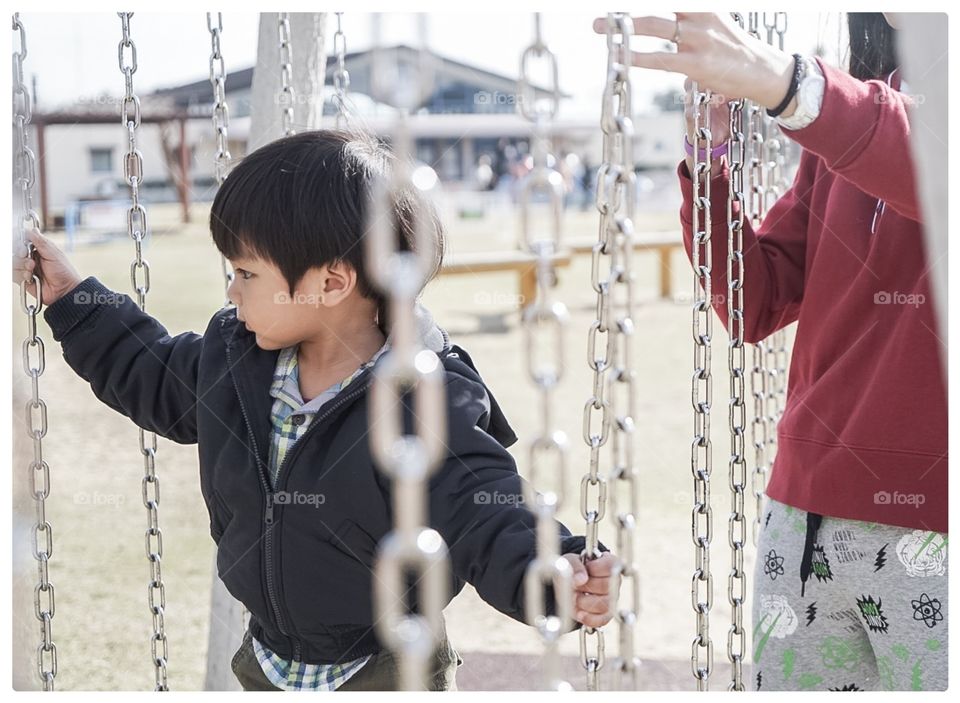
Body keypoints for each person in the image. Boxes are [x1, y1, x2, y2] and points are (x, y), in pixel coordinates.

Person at [13, 129, 616, 691]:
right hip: (267, 658)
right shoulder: (237, 360)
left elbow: (484, 506)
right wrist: (73, 298)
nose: (232, 291)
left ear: (331, 284)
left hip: (386, 666)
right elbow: (153, 372)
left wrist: (552, 571)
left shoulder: (422, 396)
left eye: (246, 273)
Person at [594, 12, 947, 691]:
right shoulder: (849, 122)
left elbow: (932, 163)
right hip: (805, 518)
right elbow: (754, 301)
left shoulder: (853, 114)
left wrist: (786, 85)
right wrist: (710, 163)